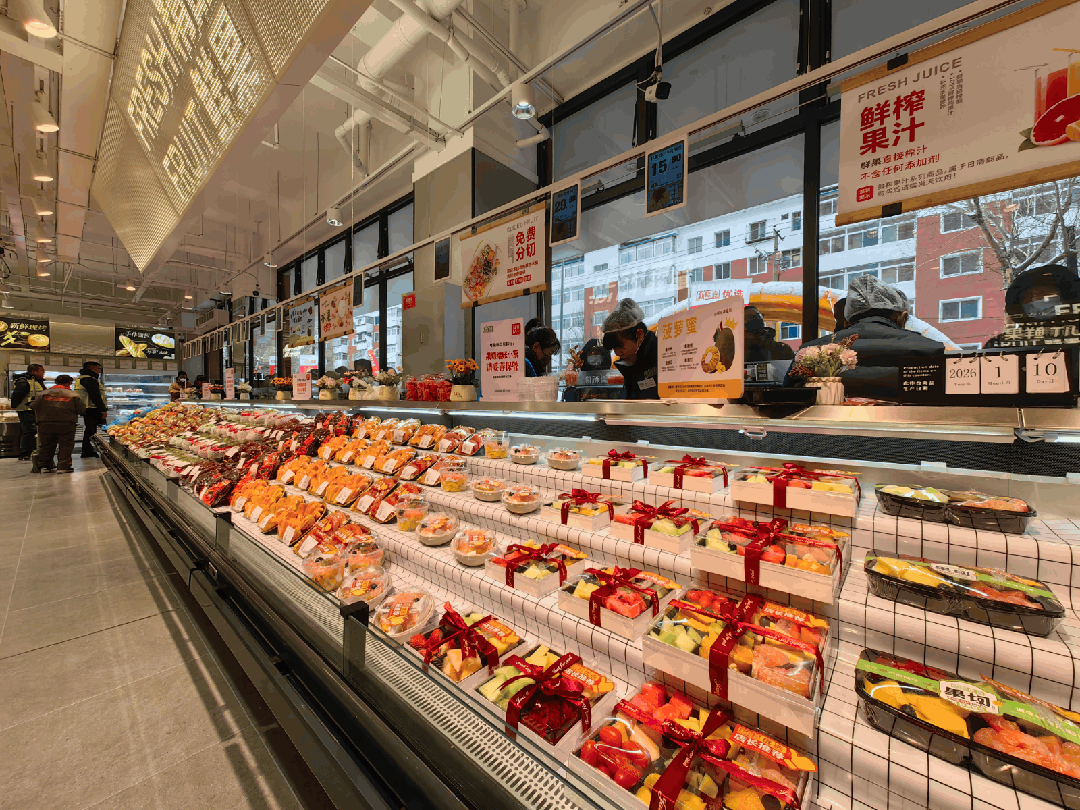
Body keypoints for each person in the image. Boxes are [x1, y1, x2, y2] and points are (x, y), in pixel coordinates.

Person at [788, 275, 944, 401]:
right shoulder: (930, 350)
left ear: (847, 320)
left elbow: (788, 397)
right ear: (902, 318)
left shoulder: (809, 352)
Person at [601, 299, 659, 399]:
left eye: (620, 346)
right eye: (614, 348)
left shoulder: (663, 355)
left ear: (639, 335)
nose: (617, 353)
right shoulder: (628, 364)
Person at [30, 374, 85, 474]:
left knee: (46, 444)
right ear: (69, 383)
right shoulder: (73, 395)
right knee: (66, 445)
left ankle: (45, 466)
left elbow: (33, 406)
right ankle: (64, 466)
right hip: (67, 423)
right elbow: (81, 409)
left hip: (45, 423)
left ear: (55, 382)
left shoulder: (43, 393)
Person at [11, 363, 45, 460]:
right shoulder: (24, 381)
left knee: (32, 431)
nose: (44, 372)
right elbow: (17, 395)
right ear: (34, 371)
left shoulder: (37, 381)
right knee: (28, 431)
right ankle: (24, 453)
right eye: (41, 370)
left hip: (33, 409)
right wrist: (18, 406)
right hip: (26, 409)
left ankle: (31, 451)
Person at [74, 362, 108, 458]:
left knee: (90, 430)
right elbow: (95, 396)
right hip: (92, 409)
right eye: (98, 369)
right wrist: (102, 410)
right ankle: (87, 451)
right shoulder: (89, 380)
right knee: (91, 431)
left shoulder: (82, 378)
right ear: (93, 369)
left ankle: (88, 450)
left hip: (87, 408)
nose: (99, 371)